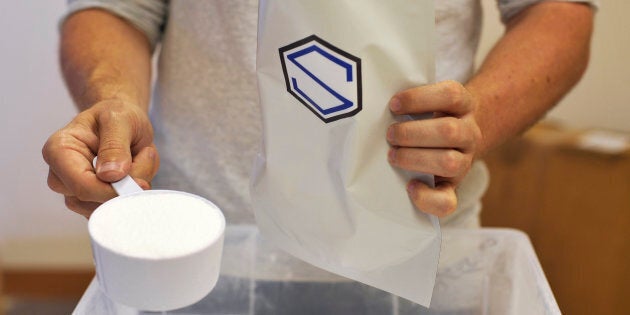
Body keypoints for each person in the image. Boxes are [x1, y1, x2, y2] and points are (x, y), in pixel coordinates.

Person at [43, 0, 595, 228]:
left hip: (412, 236)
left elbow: (556, 10)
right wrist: (113, 98)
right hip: (202, 235)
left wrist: (477, 121)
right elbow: (114, 8)